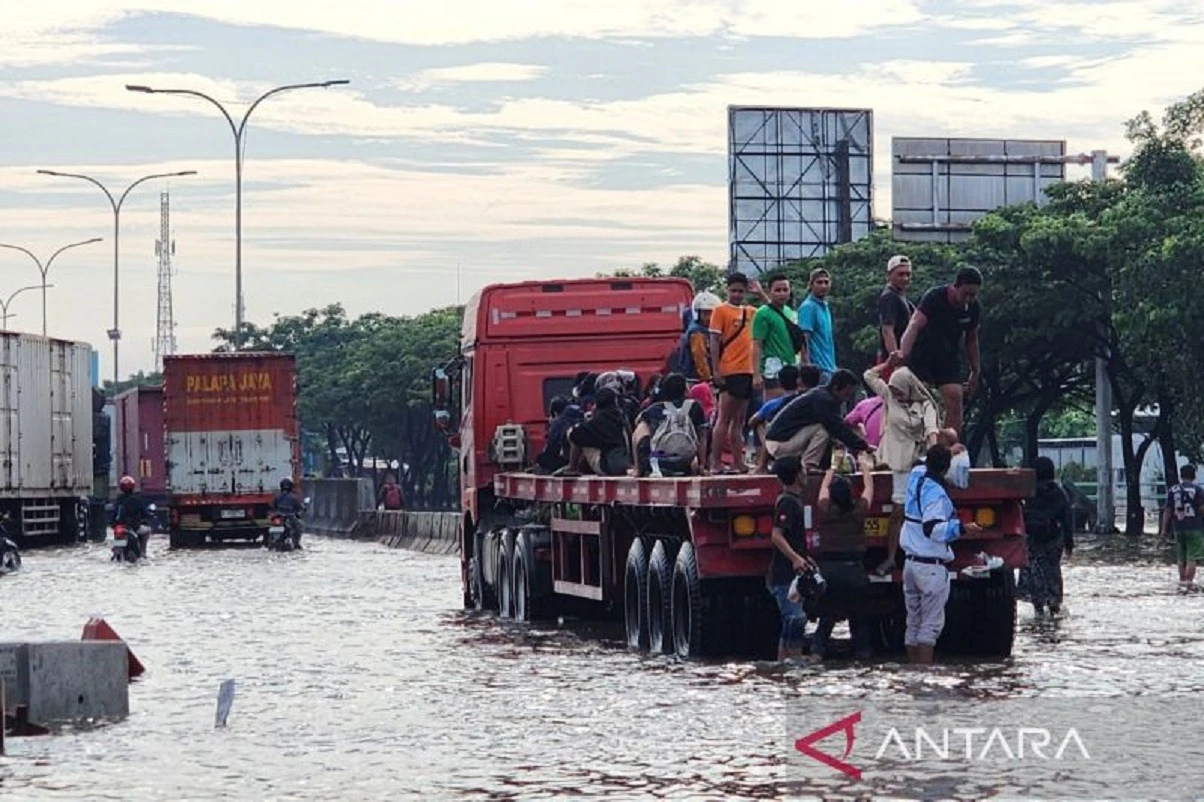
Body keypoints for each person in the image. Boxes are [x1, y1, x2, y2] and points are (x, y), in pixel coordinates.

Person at [899, 444, 983, 664]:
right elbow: (933, 529)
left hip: (910, 564)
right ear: (946, 469)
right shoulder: (936, 494)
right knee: (929, 627)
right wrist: (962, 528)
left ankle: (913, 673)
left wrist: (948, 451)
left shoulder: (916, 475)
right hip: (930, 567)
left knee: (913, 623)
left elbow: (919, 462)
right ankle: (925, 673)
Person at [863, 362, 940, 576]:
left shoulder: (926, 406)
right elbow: (868, 376)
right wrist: (889, 363)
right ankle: (891, 558)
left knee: (923, 511)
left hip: (919, 462)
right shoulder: (889, 396)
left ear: (909, 387)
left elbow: (931, 431)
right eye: (894, 390)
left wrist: (933, 454)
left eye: (899, 390)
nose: (896, 394)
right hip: (898, 462)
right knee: (898, 511)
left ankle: (924, 555)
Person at [896, 265, 983, 434]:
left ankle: (949, 444)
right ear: (955, 286)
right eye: (965, 294)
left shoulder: (973, 308)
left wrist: (975, 370)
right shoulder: (934, 297)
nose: (968, 299)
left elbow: (972, 339)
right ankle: (920, 439)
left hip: (948, 357)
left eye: (973, 295)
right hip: (922, 355)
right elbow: (913, 326)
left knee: (955, 397)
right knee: (922, 398)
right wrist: (903, 356)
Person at [810, 450, 876, 660]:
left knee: (827, 614)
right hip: (854, 570)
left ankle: (817, 651)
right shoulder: (858, 512)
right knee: (859, 616)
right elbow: (869, 488)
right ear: (850, 495)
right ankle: (862, 652)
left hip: (829, 571)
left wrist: (832, 467)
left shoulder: (825, 511)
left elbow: (823, 489)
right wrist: (864, 465)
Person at [764, 369, 871, 470]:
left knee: (829, 435)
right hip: (780, 443)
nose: (846, 399)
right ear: (835, 388)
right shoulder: (824, 400)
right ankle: (809, 465)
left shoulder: (821, 395)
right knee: (823, 429)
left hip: (785, 439)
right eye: (846, 394)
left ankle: (812, 464)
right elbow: (838, 429)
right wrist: (863, 446)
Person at [766, 454, 816, 660]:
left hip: (791, 574)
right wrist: (795, 558)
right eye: (803, 470)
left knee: (791, 621)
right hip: (783, 574)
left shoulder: (794, 500)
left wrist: (805, 557)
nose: (806, 473)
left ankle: (785, 663)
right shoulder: (787, 502)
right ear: (797, 475)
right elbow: (776, 535)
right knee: (796, 618)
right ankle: (793, 663)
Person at [708, 273, 756, 473]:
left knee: (739, 421)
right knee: (723, 419)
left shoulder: (751, 311)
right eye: (733, 290)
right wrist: (716, 370)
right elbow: (713, 342)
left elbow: (773, 311)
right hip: (729, 370)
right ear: (727, 290)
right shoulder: (720, 311)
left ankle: (738, 462)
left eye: (740, 291)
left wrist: (760, 293)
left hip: (747, 370)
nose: (737, 294)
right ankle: (715, 462)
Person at [1019, 456, 1074, 616]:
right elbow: (1067, 520)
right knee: (1052, 571)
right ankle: (1054, 607)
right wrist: (1069, 544)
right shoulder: (1059, 493)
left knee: (1034, 571)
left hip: (1032, 538)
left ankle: (1038, 609)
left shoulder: (1028, 492)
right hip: (1053, 539)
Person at [631, 373, 707, 476]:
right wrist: (702, 464)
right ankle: (697, 466)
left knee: (640, 429)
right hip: (687, 457)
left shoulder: (656, 408)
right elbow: (703, 436)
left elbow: (638, 425)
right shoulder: (695, 406)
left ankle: (638, 469)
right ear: (685, 390)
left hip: (660, 457)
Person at [749, 365, 818, 473]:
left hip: (780, 443)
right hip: (801, 442)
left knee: (759, 423)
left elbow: (752, 421)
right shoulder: (811, 400)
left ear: (780, 383)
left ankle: (761, 463)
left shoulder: (775, 403)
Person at [751, 273, 802, 400]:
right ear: (770, 292)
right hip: (773, 370)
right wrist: (756, 374)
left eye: (785, 290)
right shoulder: (762, 313)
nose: (782, 293)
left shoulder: (790, 312)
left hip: (792, 367)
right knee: (773, 406)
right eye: (778, 290)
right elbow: (757, 344)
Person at [566, 386, 631, 476]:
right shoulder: (623, 418)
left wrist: (589, 419)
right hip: (626, 463)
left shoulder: (598, 421)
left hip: (608, 466)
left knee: (576, 434)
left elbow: (574, 434)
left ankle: (573, 467)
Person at [1160, 464, 1204, 593]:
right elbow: (1202, 509)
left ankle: (1182, 581)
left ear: (1181, 475)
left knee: (1181, 557)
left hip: (1178, 527)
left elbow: (1167, 511)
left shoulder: (1173, 490)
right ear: (1193, 476)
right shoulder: (1198, 490)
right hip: (1194, 526)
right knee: (1192, 557)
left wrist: (1164, 529)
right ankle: (1188, 583)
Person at [877, 255, 915, 379]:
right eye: (900, 274)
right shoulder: (889, 297)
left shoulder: (901, 296)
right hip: (893, 363)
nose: (905, 278)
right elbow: (887, 330)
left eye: (908, 274)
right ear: (889, 275)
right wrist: (895, 359)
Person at [797, 267, 837, 381]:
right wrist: (807, 366)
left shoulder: (824, 306)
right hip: (817, 370)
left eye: (826, 282)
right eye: (819, 282)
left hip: (829, 367)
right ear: (811, 284)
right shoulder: (808, 307)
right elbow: (803, 339)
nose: (823, 286)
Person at [673, 292, 720, 384]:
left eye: (712, 314)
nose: (709, 318)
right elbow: (700, 359)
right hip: (697, 380)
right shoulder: (697, 333)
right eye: (705, 313)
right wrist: (708, 379)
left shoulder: (704, 330)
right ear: (697, 314)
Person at [533, 396, 582, 474]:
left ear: (555, 413)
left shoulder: (558, 423)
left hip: (569, 461)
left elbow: (552, 448)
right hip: (585, 461)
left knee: (541, 458)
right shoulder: (581, 417)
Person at [112, 474, 151, 559]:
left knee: (117, 536)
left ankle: (116, 553)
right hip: (134, 527)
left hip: (119, 528)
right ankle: (142, 552)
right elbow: (145, 513)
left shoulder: (118, 500)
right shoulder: (137, 499)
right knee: (147, 530)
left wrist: (114, 525)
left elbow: (113, 515)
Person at [271, 477, 305, 547]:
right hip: (289, 517)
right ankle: (296, 543)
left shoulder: (277, 496)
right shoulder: (294, 497)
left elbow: (272, 506)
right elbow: (300, 507)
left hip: (278, 517)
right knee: (300, 526)